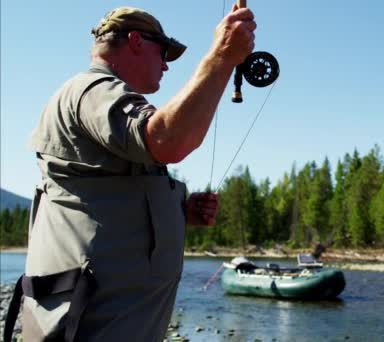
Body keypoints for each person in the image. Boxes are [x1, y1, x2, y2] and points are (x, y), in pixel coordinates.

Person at [4, 5, 256, 342]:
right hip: (90, 326)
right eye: (163, 52)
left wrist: (179, 210)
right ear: (135, 41)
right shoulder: (92, 89)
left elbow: (106, 196)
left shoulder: (98, 98)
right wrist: (222, 56)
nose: (166, 64)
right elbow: (165, 140)